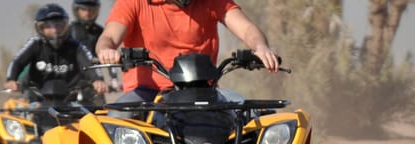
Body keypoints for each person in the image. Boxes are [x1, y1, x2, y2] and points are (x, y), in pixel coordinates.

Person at [95, 0, 280, 109]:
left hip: (203, 91)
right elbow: (109, 37)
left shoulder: (211, 2)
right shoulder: (134, 2)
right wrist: (106, 50)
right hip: (147, 91)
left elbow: (246, 28)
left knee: (247, 116)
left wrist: (261, 47)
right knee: (118, 117)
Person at [5, 4, 107, 100]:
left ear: (66, 26)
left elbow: (90, 64)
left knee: (95, 112)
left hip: (72, 100)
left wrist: (97, 80)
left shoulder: (76, 46)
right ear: (40, 28)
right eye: (48, 26)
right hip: (37, 100)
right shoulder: (35, 43)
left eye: (59, 25)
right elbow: (17, 61)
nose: (55, 30)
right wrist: (11, 79)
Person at [68, 0, 120, 104]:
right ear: (76, 10)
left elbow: (110, 54)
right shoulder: (70, 31)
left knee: (100, 114)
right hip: (72, 84)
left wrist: (114, 79)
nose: (88, 13)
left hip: (95, 84)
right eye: (84, 9)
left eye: (91, 9)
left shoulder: (100, 32)